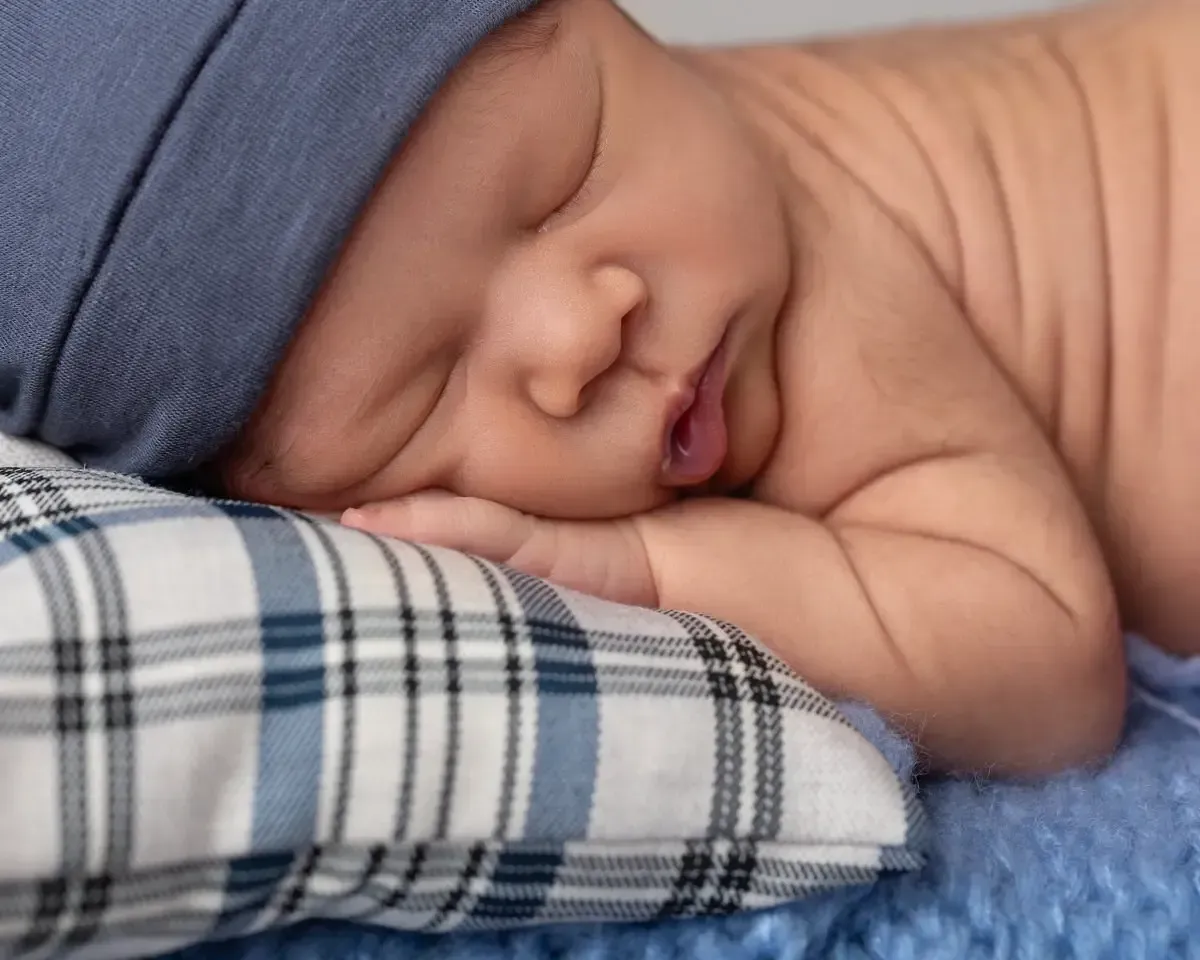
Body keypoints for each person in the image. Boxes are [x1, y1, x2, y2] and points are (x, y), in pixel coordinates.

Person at [10, 0, 1196, 776]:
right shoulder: (679, 215)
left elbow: (1049, 669)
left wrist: (644, 574)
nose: (582, 334)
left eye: (564, 176)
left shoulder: (810, 264)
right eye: (426, 388)